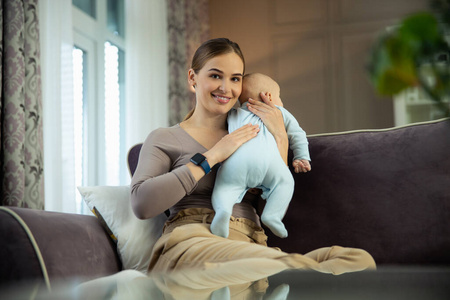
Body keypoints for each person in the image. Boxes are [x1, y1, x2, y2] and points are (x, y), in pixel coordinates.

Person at [130, 38, 376, 277]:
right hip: (192, 243)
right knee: (218, 267)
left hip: (250, 244)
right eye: (215, 75)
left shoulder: (255, 134)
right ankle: (290, 276)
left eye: (235, 79)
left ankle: (274, 275)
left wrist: (280, 136)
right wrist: (213, 156)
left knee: (360, 262)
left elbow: (268, 202)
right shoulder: (165, 138)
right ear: (193, 77)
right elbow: (142, 204)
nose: (226, 88)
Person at [211, 72, 311, 239]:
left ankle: (222, 211)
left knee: (224, 188)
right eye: (279, 97)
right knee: (285, 183)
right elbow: (298, 134)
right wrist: (302, 157)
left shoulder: (234, 114)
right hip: (271, 165)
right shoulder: (280, 112)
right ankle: (273, 215)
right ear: (270, 96)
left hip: (238, 164)